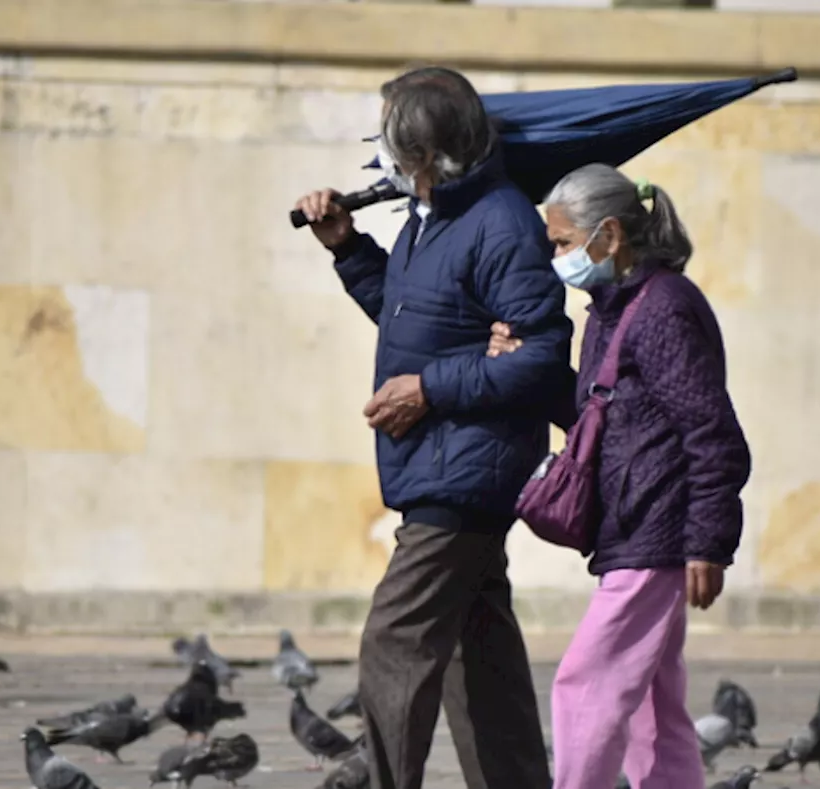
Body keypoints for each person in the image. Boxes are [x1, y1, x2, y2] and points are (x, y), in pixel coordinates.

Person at [293, 66, 567, 789]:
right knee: (479, 657)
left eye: (385, 133)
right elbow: (417, 319)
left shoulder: (500, 220)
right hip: (444, 461)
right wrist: (348, 247)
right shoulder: (431, 219)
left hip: (469, 466)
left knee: (396, 639)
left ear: (419, 150)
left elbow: (540, 352)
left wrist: (429, 388)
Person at [489, 163, 752, 789]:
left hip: (654, 529)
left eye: (561, 241)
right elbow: (603, 414)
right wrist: (525, 364)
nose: (555, 256)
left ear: (608, 237)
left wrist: (708, 542)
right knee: (653, 711)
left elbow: (711, 432)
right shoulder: (615, 307)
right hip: (633, 525)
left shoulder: (662, 310)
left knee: (586, 683)